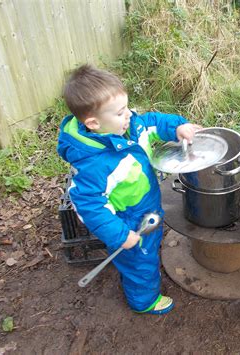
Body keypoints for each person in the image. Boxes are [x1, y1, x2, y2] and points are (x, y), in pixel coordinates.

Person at [57, 64, 200, 314]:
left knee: (145, 251)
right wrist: (120, 235)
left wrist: (177, 127)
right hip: (128, 221)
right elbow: (89, 205)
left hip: (146, 208)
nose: (129, 116)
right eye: (121, 112)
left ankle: (140, 259)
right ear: (93, 123)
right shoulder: (96, 164)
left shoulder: (127, 127)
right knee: (139, 263)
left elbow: (152, 122)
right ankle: (144, 301)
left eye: (126, 108)